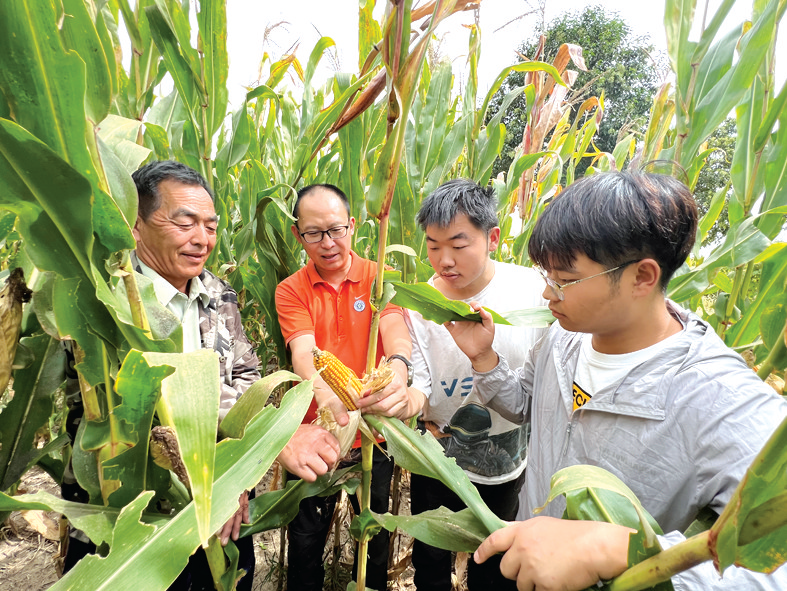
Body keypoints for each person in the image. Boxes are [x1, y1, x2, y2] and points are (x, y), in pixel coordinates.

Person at [444, 171, 787, 590]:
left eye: (566, 281)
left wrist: (620, 549)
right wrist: (484, 359)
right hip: (523, 565)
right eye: (546, 277)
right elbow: (526, 405)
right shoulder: (564, 337)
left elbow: (770, 567)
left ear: (642, 277)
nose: (549, 294)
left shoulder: (721, 399)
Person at [62, 161, 341, 590]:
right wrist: (273, 436)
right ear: (135, 225)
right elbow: (140, 401)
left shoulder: (215, 290)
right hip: (131, 512)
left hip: (224, 498)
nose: (202, 239)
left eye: (210, 225)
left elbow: (246, 373)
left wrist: (232, 476)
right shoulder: (106, 301)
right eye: (185, 222)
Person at [275, 183, 424, 591]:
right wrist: (330, 400)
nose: (327, 243)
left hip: (375, 434)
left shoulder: (380, 277)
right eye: (314, 233)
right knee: (305, 540)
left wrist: (398, 368)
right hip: (318, 433)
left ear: (353, 226)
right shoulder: (291, 290)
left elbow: (395, 332)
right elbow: (304, 354)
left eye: (336, 229)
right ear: (298, 235)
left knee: (373, 537)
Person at [406, 179, 547, 590]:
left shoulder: (533, 293)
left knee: (495, 564)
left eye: (458, 244)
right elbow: (421, 382)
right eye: (433, 246)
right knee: (429, 559)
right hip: (436, 459)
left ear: (493, 239)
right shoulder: (420, 304)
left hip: (505, 464)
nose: (444, 260)